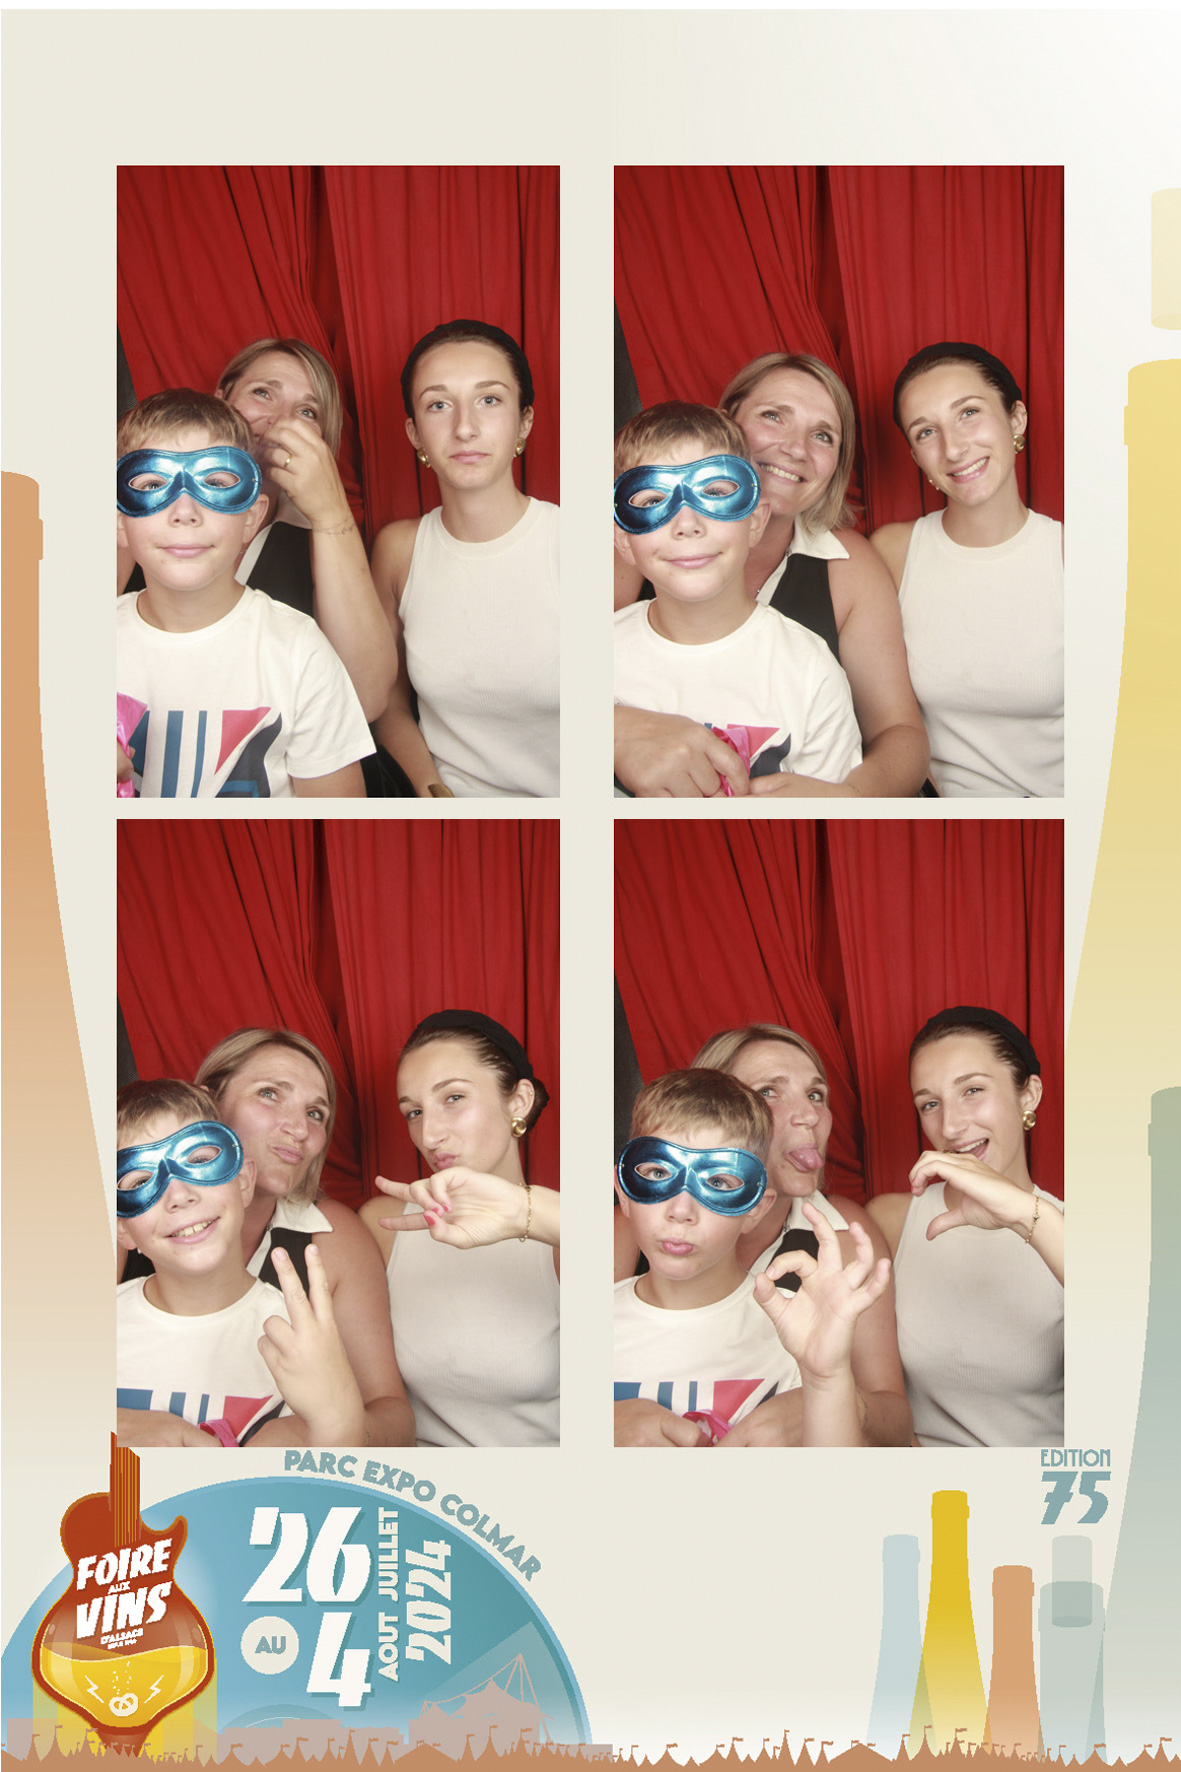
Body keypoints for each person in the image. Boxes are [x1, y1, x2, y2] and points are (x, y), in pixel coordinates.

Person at [613, 352, 929, 797]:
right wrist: (614, 727)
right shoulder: (639, 542)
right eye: (774, 416)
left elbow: (900, 733)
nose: (796, 448)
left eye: (822, 435)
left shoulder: (846, 574)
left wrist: (847, 798)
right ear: (726, 422)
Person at [614, 1022, 913, 1447]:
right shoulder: (630, 1228)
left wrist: (828, 1399)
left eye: (816, 1095)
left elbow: (896, 1429)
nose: (809, 1115)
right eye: (769, 1091)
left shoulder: (842, 1237)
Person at [121, 1028, 415, 1445]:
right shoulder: (131, 1216)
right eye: (270, 1094)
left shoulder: (331, 1238)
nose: (299, 1128)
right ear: (209, 1103)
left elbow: (390, 1415)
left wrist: (313, 1427)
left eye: (316, 1113)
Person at [119, 337, 397, 723]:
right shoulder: (150, 497)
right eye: (263, 393)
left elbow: (364, 699)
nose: (281, 421)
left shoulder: (319, 536)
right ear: (220, 400)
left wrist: (331, 513)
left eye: (307, 411)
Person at [116, 390, 373, 797]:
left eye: (216, 483)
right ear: (119, 521)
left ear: (251, 518)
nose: (185, 512)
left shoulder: (298, 651)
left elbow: (340, 817)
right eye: (152, 484)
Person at [613, 403, 862, 793]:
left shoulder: (811, 672)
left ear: (756, 521)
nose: (687, 524)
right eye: (651, 501)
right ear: (623, 540)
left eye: (715, 492)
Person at [370, 320, 559, 797]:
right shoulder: (398, 551)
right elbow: (388, 703)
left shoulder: (582, 543)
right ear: (414, 433)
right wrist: (432, 791)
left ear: (525, 421)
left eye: (489, 400)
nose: (465, 428)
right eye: (438, 405)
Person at [871, 342, 1064, 797]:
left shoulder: (1076, 556)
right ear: (915, 456)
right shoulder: (893, 553)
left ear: (1016, 419)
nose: (954, 448)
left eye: (969, 413)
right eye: (926, 432)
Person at [360, 1010, 559, 1447]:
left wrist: (524, 1211)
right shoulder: (385, 1228)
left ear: (519, 1102)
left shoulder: (563, 1235)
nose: (429, 1135)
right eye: (413, 1112)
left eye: (453, 1097)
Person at [867, 1006, 1064, 1448]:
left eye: (972, 1090)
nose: (951, 1127)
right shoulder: (892, 1221)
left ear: (1029, 1095)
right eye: (930, 1104)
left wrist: (1028, 1216)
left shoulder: (1069, 1232)